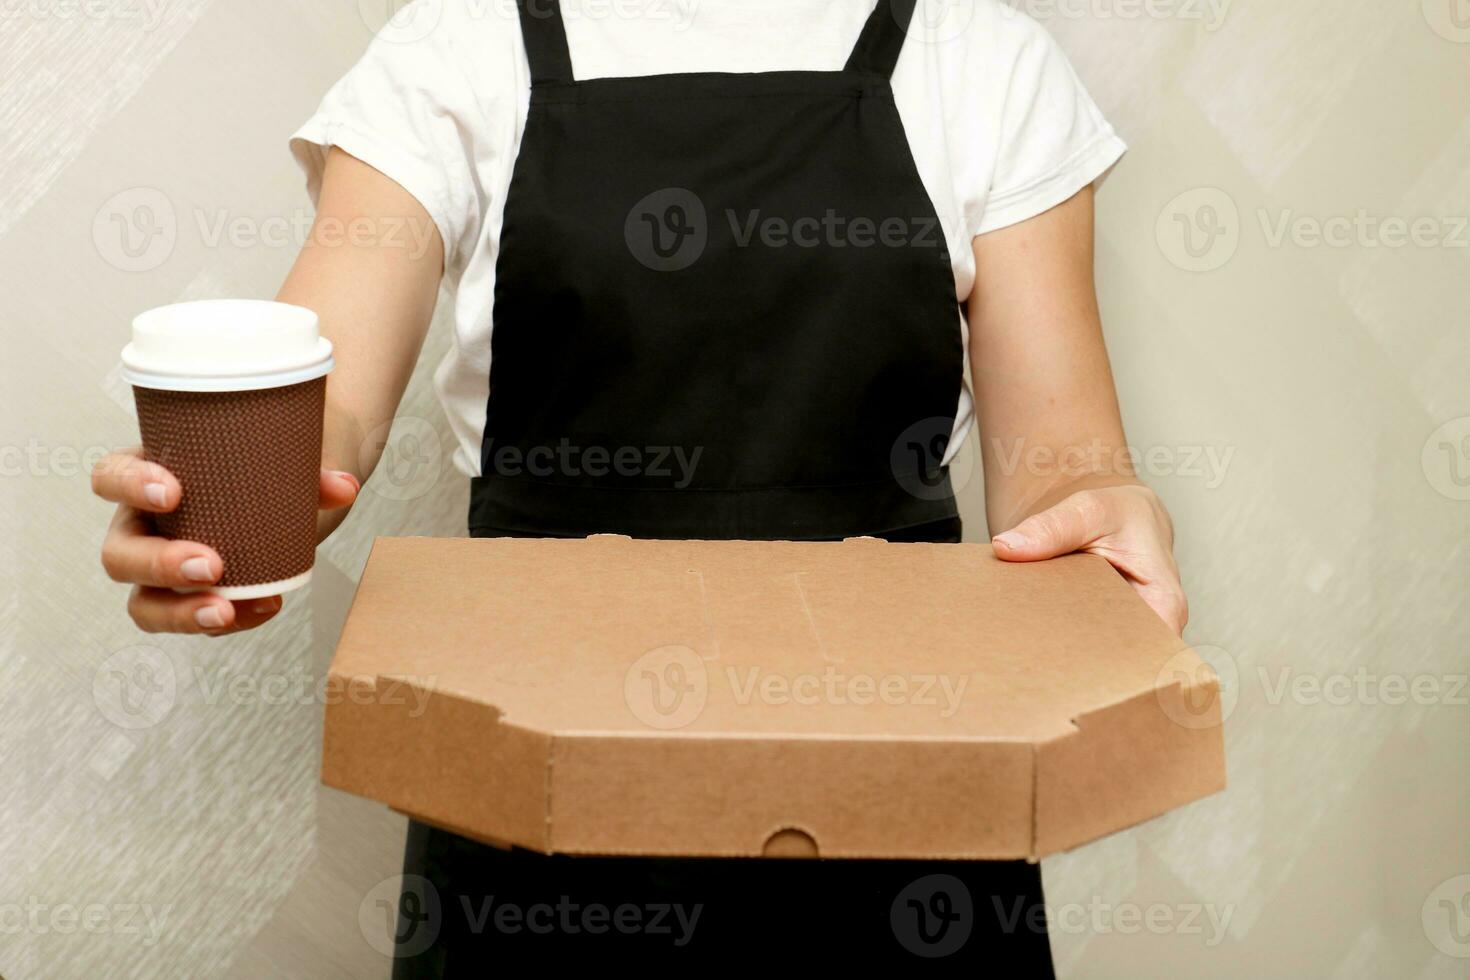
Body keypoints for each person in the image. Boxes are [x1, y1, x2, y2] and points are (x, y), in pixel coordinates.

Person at [92, 0, 1187, 970]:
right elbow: (333, 399)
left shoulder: (987, 60)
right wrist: (233, 486)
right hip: (533, 792)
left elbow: (1064, 470)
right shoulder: (458, 44)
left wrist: (1111, 513)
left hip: (910, 802)